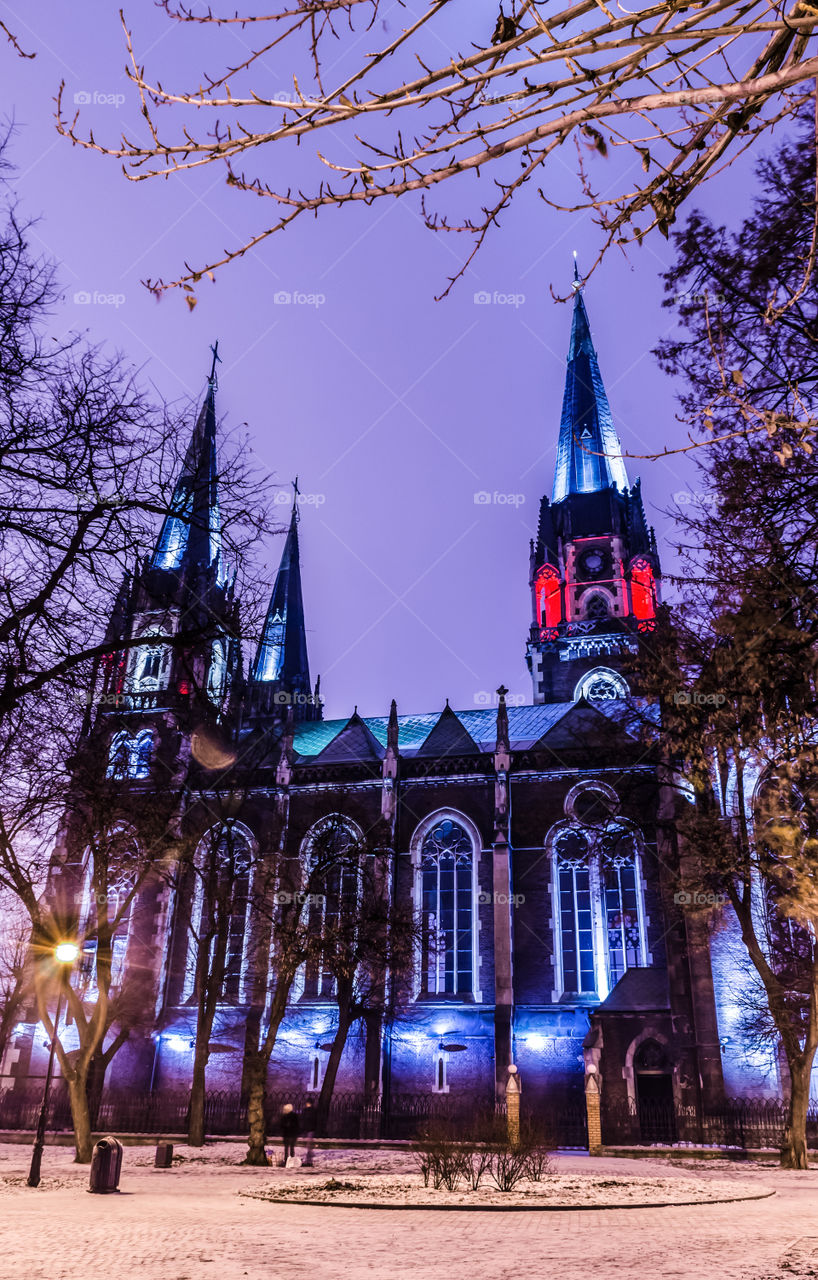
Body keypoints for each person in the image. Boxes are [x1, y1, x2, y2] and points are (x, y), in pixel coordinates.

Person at [301, 1099, 316, 1167]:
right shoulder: (314, 1111)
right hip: (311, 1129)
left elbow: (303, 1120)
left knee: (308, 1145)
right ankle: (309, 1159)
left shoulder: (305, 1111)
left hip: (307, 1129)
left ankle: (309, 1160)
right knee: (309, 1145)